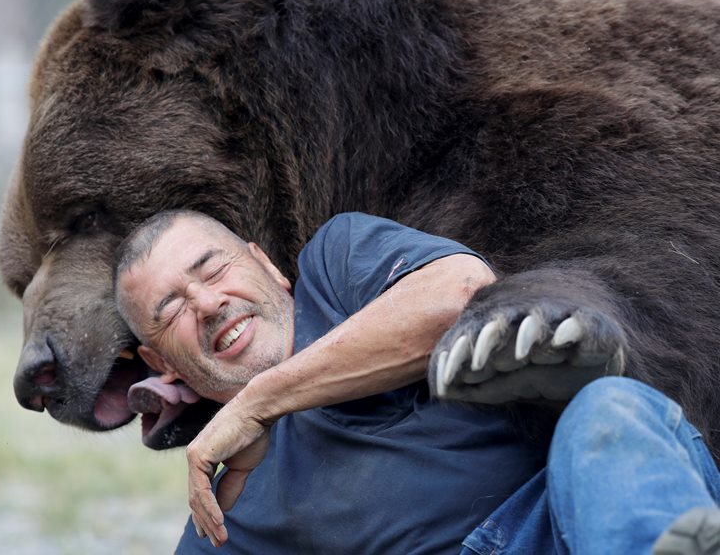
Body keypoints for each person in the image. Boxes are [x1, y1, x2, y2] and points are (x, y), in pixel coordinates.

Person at [115, 210, 720, 554]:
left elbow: (458, 290)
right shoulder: (220, 518)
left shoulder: (337, 263)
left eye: (213, 268)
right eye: (171, 309)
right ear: (160, 361)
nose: (209, 303)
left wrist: (260, 402)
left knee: (609, 410)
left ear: (266, 264)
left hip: (567, 521)